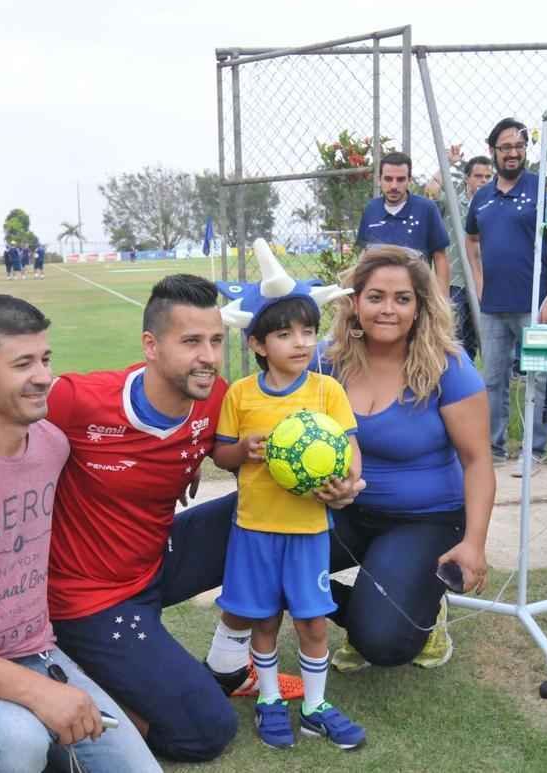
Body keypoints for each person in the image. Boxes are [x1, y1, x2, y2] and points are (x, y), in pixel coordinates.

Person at [0, 275, 244, 762]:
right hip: (91, 599)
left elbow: (235, 438)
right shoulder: (71, 408)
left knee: (265, 515)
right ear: (151, 346)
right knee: (203, 731)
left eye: (216, 341)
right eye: (192, 341)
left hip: (146, 562)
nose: (208, 356)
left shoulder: (208, 396)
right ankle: (82, 715)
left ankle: (270, 633)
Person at [211, 240, 365, 750]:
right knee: (264, 619)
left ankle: (316, 706)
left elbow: (349, 451)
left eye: (307, 331)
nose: (300, 343)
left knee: (313, 620)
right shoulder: (240, 394)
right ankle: (271, 698)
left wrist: (347, 485)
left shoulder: (327, 391)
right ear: (257, 344)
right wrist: (245, 451)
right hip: (255, 529)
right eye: (284, 334)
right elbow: (222, 454)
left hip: (308, 530)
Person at [315, 244, 494, 674]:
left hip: (424, 518)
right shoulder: (326, 360)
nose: (388, 309)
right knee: (266, 557)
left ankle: (417, 611)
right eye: (375, 297)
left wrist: (473, 544)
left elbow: (478, 462)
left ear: (419, 306)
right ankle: (376, 598)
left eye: (402, 298)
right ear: (354, 303)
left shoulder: (448, 367)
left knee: (384, 643)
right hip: (346, 512)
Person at [465, 118, 547, 475]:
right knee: (492, 380)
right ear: (493, 150)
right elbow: (472, 241)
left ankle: (534, 450)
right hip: (493, 307)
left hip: (535, 306)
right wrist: (479, 283)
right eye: (505, 147)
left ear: (526, 149)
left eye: (519, 146)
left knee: (540, 377)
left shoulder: (544, 189)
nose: (512, 153)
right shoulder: (482, 196)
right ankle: (494, 448)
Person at [426, 150, 492, 361]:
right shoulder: (454, 201)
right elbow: (431, 190)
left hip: (485, 282)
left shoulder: (493, 205)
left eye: (488, 177)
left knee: (479, 337)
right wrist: (447, 162)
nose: (483, 181)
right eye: (478, 176)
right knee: (454, 336)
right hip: (456, 281)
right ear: (467, 178)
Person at [356, 151, 451, 297]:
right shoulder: (371, 209)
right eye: (388, 179)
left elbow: (440, 257)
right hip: (378, 296)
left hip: (416, 296)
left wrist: (442, 300)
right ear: (379, 179)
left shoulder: (427, 209)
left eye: (400, 179)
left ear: (409, 180)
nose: (394, 185)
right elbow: (364, 255)